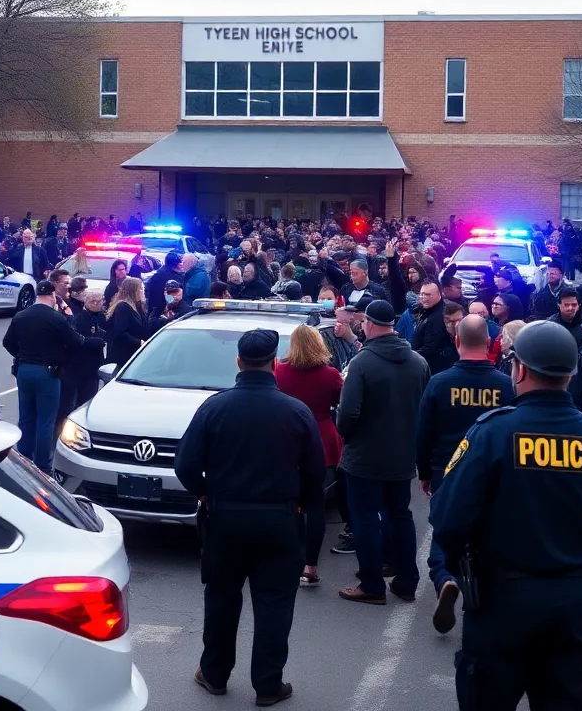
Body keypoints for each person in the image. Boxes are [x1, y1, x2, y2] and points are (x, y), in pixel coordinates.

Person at [429, 320, 582, 711]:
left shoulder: (491, 433)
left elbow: (448, 517)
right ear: (571, 375)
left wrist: (454, 570)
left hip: (500, 601)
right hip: (572, 603)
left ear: (519, 370)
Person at [174, 329, 324, 707]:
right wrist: (302, 506)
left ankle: (214, 674)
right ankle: (268, 684)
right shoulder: (296, 411)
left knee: (221, 599)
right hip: (279, 521)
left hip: (224, 519)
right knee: (275, 604)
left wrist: (204, 492)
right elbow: (315, 474)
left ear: (238, 362)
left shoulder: (214, 408)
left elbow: (185, 465)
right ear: (274, 364)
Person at [416, 315, 513, 633]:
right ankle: (482, 590)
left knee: (444, 526)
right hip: (491, 470)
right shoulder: (505, 384)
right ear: (489, 343)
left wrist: (424, 471)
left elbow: (423, 432)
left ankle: (445, 577)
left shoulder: (439, 383)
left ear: (457, 341)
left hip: (447, 467)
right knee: (486, 529)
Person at [336, 299, 429, 605]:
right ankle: (407, 581)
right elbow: (424, 406)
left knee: (365, 519)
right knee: (400, 515)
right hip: (402, 453)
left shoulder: (362, 362)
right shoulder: (418, 362)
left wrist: (346, 434)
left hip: (365, 455)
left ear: (370, 325)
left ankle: (372, 584)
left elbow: (348, 412)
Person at [274, 325, 345, 588]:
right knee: (315, 506)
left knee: (286, 504)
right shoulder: (330, 375)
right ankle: (310, 566)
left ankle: (287, 560)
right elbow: (340, 401)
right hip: (322, 440)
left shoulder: (280, 372)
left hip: (287, 441)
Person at [3, 280, 87, 473]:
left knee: (26, 417)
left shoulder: (21, 316)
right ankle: (42, 465)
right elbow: (75, 342)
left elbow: (8, 342)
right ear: (52, 295)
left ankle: (23, 460)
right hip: (47, 372)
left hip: (24, 370)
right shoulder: (56, 318)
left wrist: (22, 355)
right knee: (45, 421)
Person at [72, 290, 109, 407]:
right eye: (93, 301)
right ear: (86, 302)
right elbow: (79, 340)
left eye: (99, 301)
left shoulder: (101, 316)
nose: (96, 304)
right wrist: (98, 341)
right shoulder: (81, 318)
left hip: (96, 363)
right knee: (85, 397)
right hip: (84, 365)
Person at [106, 277, 149, 365]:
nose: (142, 291)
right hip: (124, 354)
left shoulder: (138, 306)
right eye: (140, 289)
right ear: (133, 291)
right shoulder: (123, 307)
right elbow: (120, 333)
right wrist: (138, 342)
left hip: (136, 352)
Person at [410, 281, 448, 372]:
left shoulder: (437, 317)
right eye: (422, 294)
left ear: (439, 295)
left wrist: (409, 357)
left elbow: (429, 349)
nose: (424, 298)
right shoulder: (426, 311)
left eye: (428, 295)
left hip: (430, 368)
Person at [146, 251, 184, 316]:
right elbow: (170, 295)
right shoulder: (173, 277)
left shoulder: (157, 274)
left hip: (154, 308)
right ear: (177, 265)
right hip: (165, 310)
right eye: (181, 263)